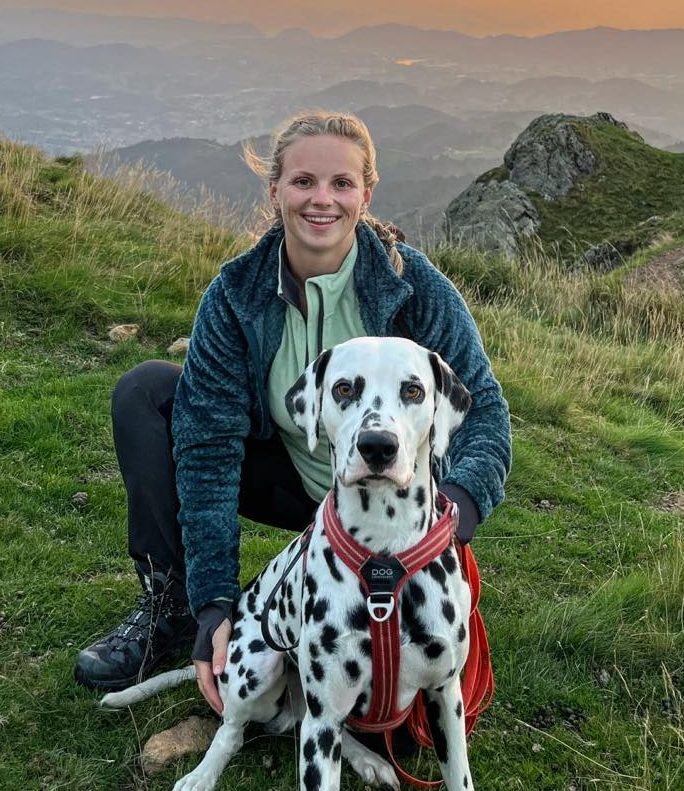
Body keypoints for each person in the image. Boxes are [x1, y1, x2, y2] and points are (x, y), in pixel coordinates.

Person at [74, 112, 511, 718]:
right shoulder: (236, 295)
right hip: (293, 483)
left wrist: (452, 513)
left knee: (400, 721)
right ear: (275, 188)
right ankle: (171, 609)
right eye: (304, 181)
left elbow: (483, 410)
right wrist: (213, 604)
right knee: (146, 392)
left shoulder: (416, 288)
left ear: (366, 194)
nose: (321, 199)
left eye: (341, 183)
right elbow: (207, 448)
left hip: (397, 508)